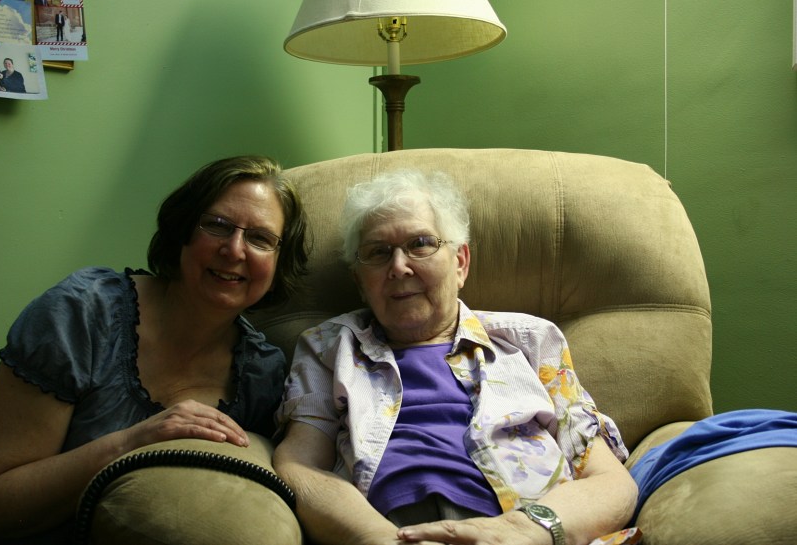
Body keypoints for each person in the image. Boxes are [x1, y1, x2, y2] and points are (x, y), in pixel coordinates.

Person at [0, 156, 309, 544]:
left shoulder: (262, 374)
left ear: (279, 262)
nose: (234, 249)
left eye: (260, 238)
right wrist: (133, 442)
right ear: (181, 232)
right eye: (217, 225)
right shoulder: (83, 312)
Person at [273, 170, 639, 545]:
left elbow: (610, 481)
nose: (399, 266)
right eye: (377, 252)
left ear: (460, 263)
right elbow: (300, 465)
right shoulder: (329, 347)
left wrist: (525, 531)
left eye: (420, 244)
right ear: (359, 282)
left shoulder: (530, 341)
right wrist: (375, 537)